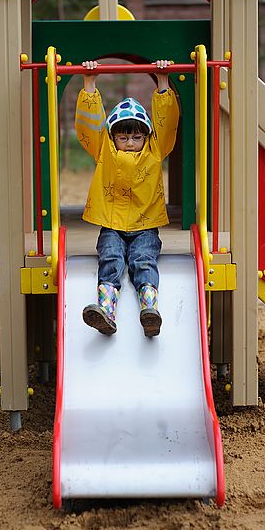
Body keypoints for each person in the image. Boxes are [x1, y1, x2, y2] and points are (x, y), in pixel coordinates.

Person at [75, 59, 179, 337]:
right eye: (123, 137)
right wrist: (89, 84)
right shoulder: (104, 151)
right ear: (112, 137)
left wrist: (163, 84)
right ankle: (105, 313)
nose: (130, 143)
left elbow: (166, 124)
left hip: (145, 225)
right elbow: (89, 129)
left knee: (143, 261)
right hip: (112, 224)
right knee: (110, 259)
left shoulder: (155, 151)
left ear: (146, 136)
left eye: (136, 136)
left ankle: (149, 311)